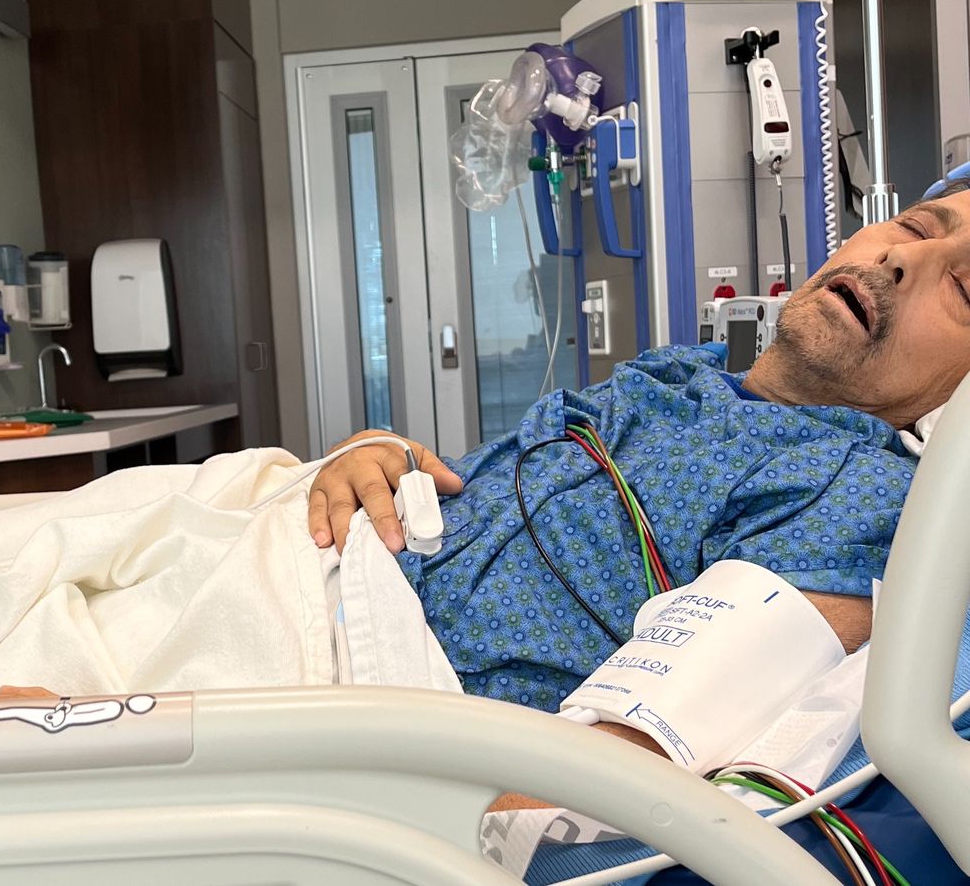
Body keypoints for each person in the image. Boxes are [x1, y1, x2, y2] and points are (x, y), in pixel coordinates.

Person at [308, 182, 970, 729]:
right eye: (915, 226)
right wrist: (376, 457)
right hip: (321, 559)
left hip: (360, 691)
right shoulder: (680, 375)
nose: (902, 258)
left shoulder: (856, 496)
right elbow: (470, 492)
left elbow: (614, 774)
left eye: (965, 288)